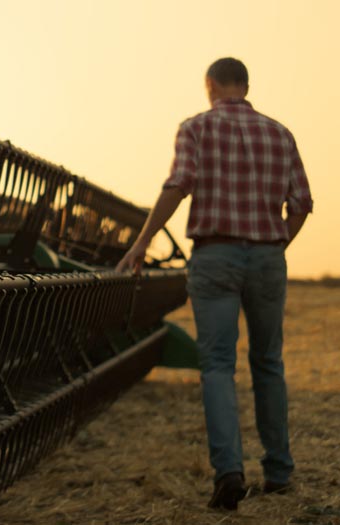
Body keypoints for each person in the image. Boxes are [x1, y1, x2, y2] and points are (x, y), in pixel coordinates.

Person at [116, 57, 313, 510]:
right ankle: (279, 472)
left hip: (215, 255)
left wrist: (142, 242)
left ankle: (229, 474)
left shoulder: (195, 127)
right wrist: (275, 247)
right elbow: (301, 203)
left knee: (219, 366)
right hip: (267, 256)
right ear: (245, 85)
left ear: (211, 86)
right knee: (268, 362)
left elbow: (179, 183)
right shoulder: (280, 133)